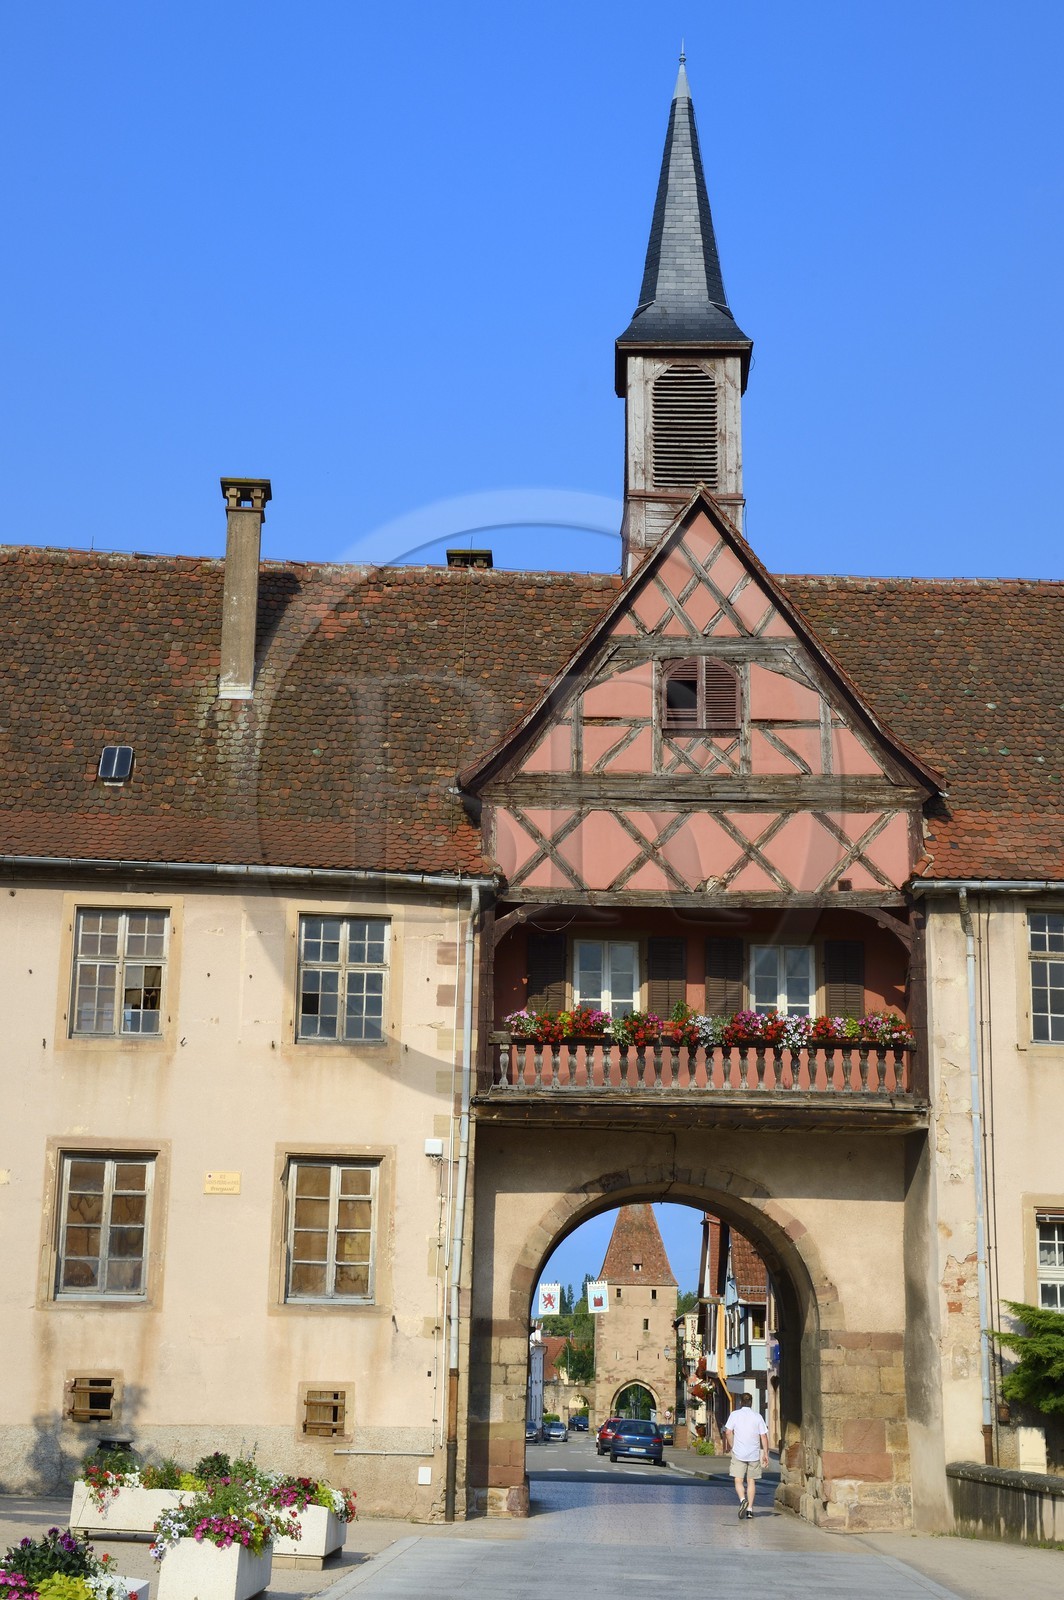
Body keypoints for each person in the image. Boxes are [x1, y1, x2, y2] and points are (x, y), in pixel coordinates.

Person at [723, 1393, 769, 1519]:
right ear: (751, 1403)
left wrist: (733, 1445)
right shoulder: (757, 1417)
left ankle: (743, 1500)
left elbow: (728, 1431)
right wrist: (765, 1453)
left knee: (738, 1480)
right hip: (753, 1454)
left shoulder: (735, 1415)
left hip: (739, 1453)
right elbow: (763, 1436)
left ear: (740, 1402)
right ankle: (749, 1510)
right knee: (751, 1481)